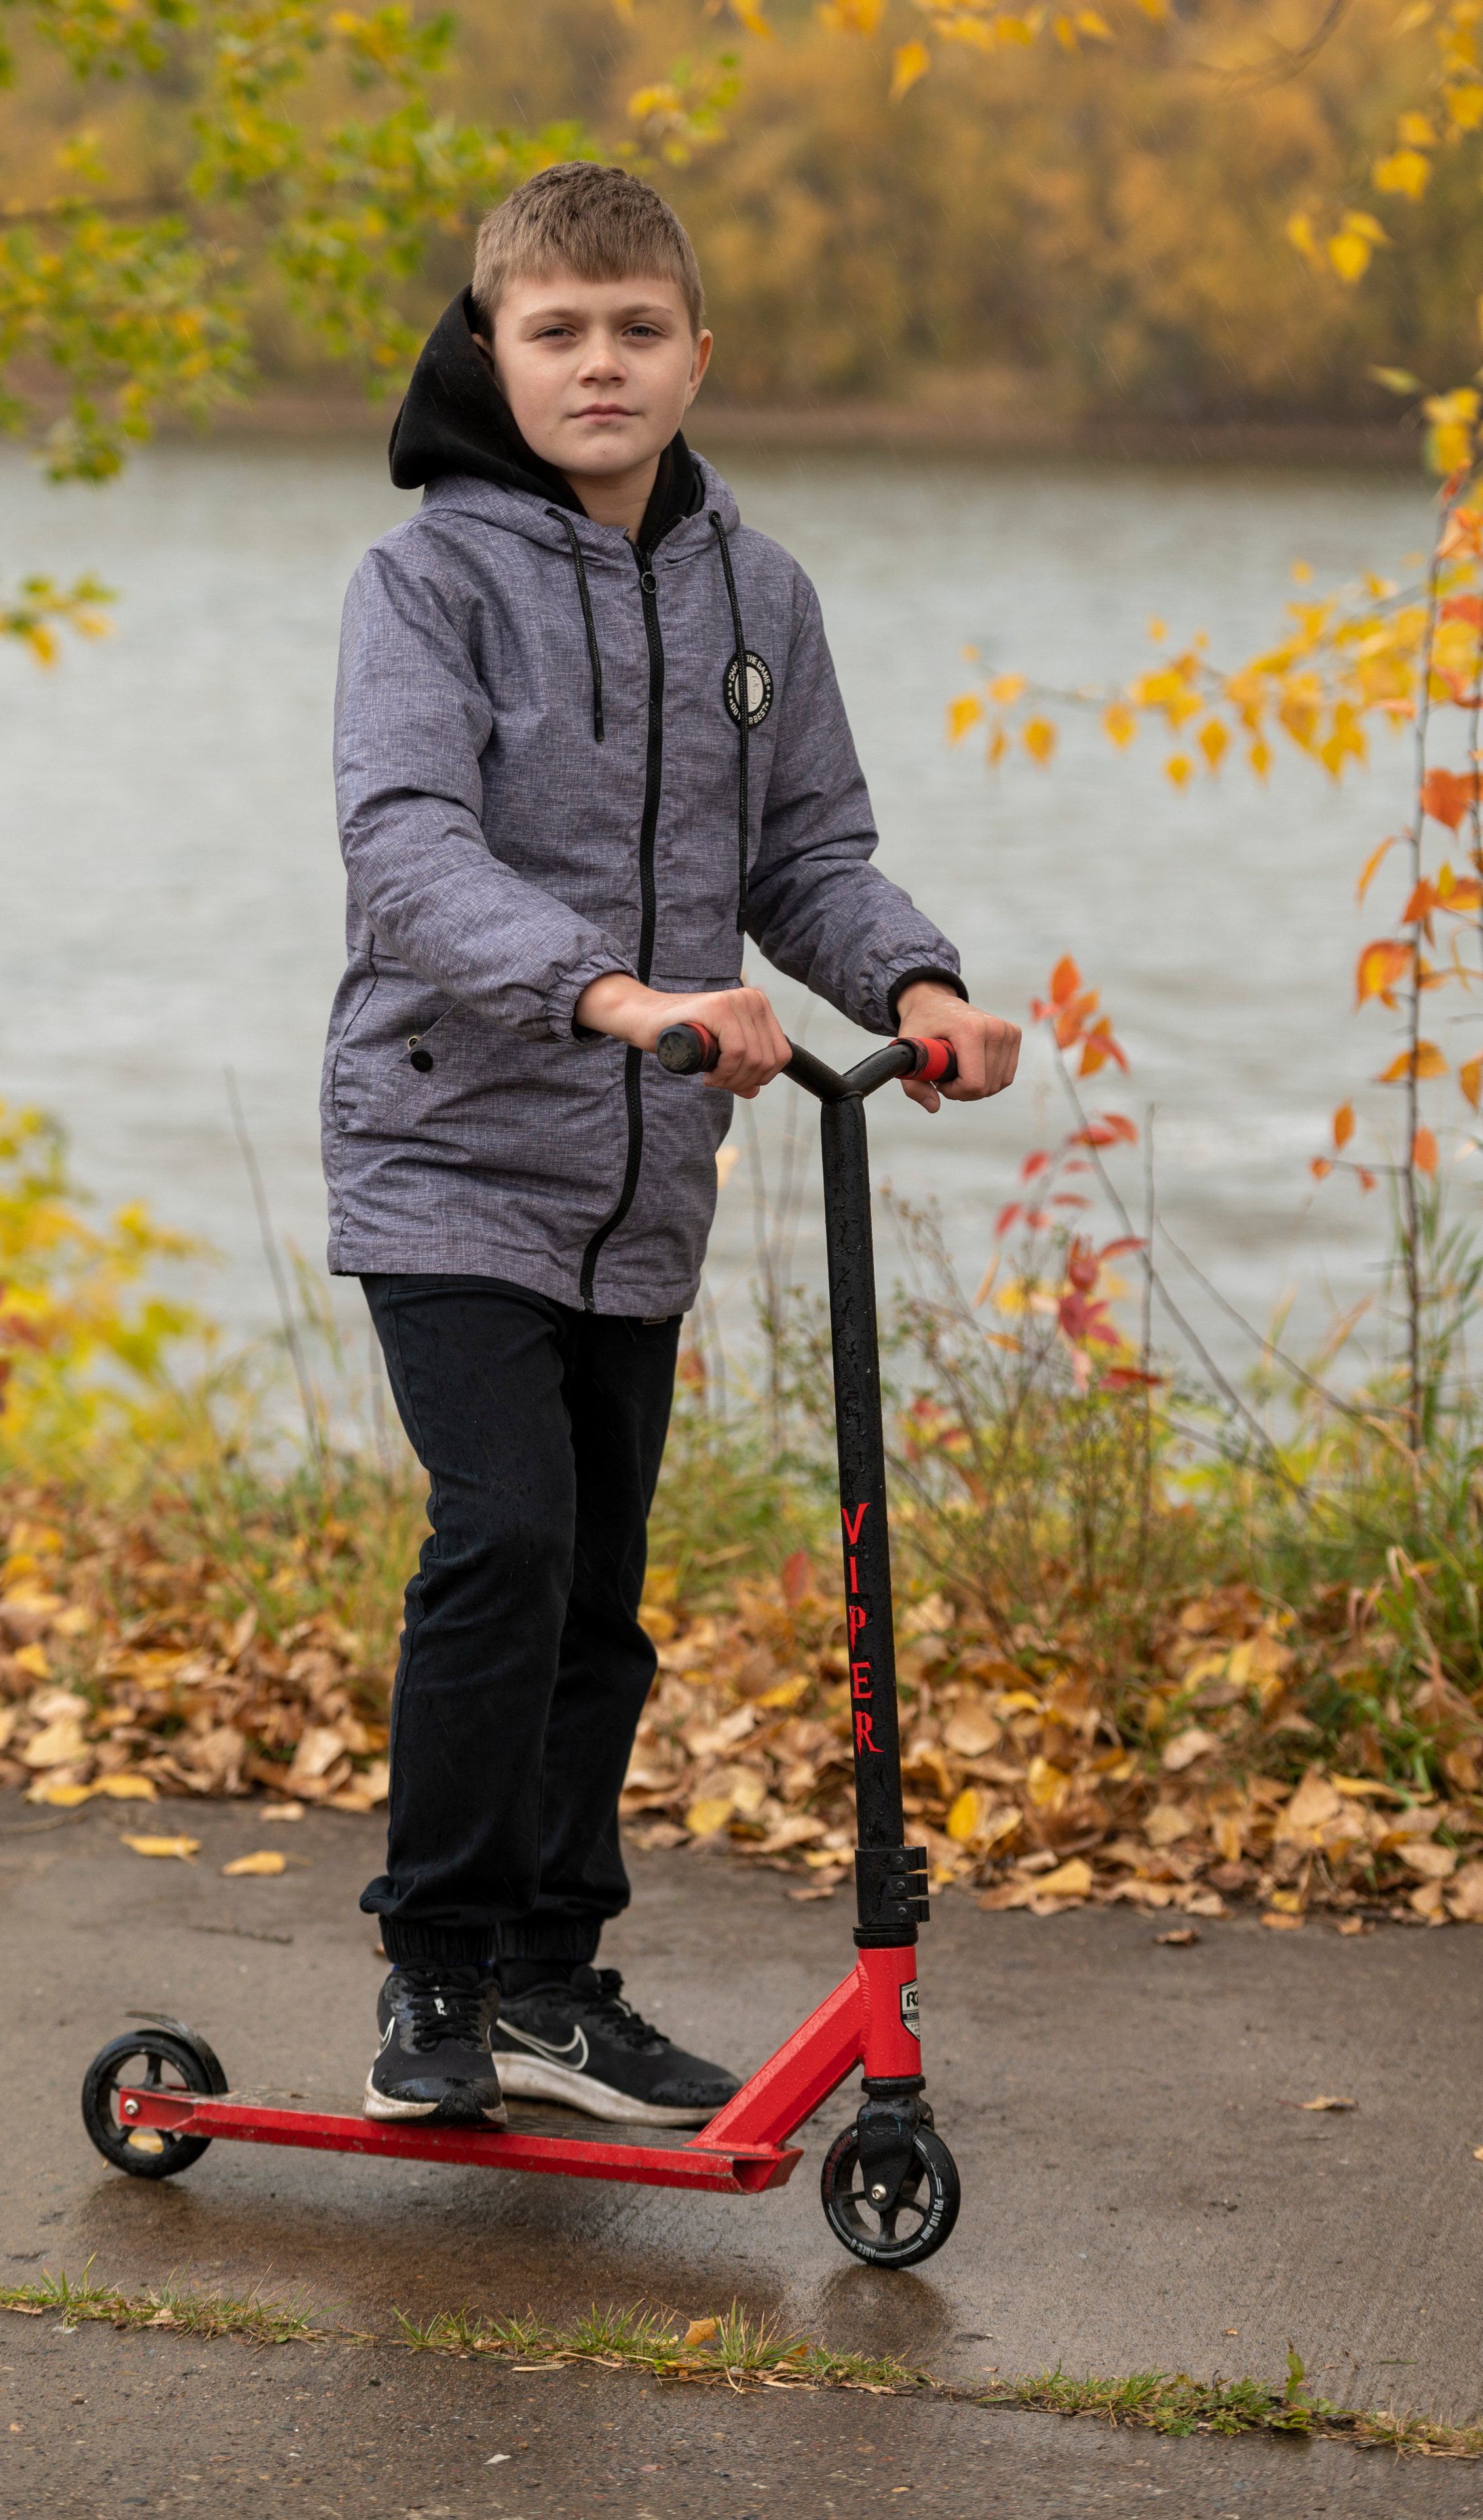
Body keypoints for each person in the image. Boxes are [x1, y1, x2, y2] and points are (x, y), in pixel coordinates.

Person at [324, 161, 1021, 2130]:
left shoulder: (756, 593)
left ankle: (553, 1984)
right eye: (557, 331)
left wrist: (917, 988)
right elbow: (405, 854)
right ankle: (432, 1979)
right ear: (492, 352)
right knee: (506, 1539)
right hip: (449, 1151)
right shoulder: (428, 583)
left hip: (645, 1189)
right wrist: (618, 996)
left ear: (699, 354)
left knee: (601, 1591)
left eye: (639, 330)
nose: (601, 364)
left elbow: (807, 856)